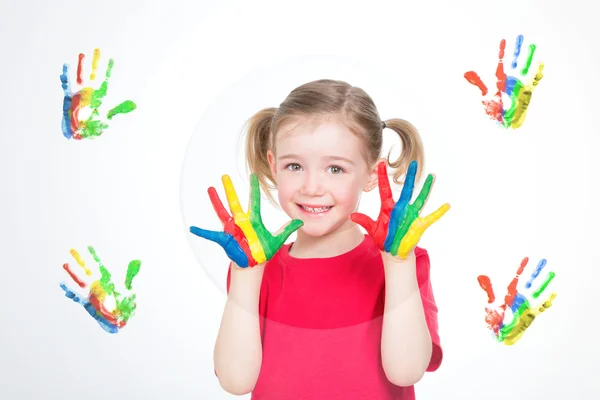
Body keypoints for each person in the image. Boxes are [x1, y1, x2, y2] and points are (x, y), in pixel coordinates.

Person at [191, 79, 450, 399]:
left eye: (335, 169)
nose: (312, 187)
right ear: (274, 167)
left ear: (372, 174)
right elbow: (235, 381)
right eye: (295, 166)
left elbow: (406, 370)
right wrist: (246, 275)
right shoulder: (257, 268)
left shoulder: (405, 262)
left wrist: (398, 264)